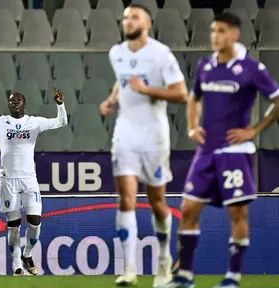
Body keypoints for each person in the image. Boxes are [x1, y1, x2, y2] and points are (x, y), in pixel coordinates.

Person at [163, 12, 279, 288]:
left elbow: (277, 100)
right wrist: (192, 126)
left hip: (235, 153)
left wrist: (254, 129)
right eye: (214, 30)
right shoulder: (206, 66)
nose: (216, 35)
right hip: (206, 152)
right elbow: (194, 98)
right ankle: (185, 277)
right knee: (188, 209)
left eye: (222, 31)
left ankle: (232, 278)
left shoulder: (251, 68)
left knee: (237, 214)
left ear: (235, 35)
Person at [100, 3, 188, 287]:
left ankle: (163, 262)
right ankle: (129, 270)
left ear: (148, 22)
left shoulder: (161, 54)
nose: (128, 21)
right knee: (125, 199)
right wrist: (113, 99)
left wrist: (147, 90)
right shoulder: (117, 53)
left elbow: (181, 93)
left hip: (154, 137)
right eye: (125, 17)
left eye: (134, 16)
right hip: (125, 134)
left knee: (157, 203)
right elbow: (122, 81)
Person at [0, 85, 67, 276]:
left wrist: (60, 105)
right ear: (9, 104)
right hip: (8, 180)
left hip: (29, 179)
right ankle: (17, 266)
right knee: (14, 226)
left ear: (24, 104)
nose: (15, 102)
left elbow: (61, 122)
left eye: (18, 100)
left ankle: (27, 254)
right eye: (12, 100)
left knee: (35, 222)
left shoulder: (34, 122)